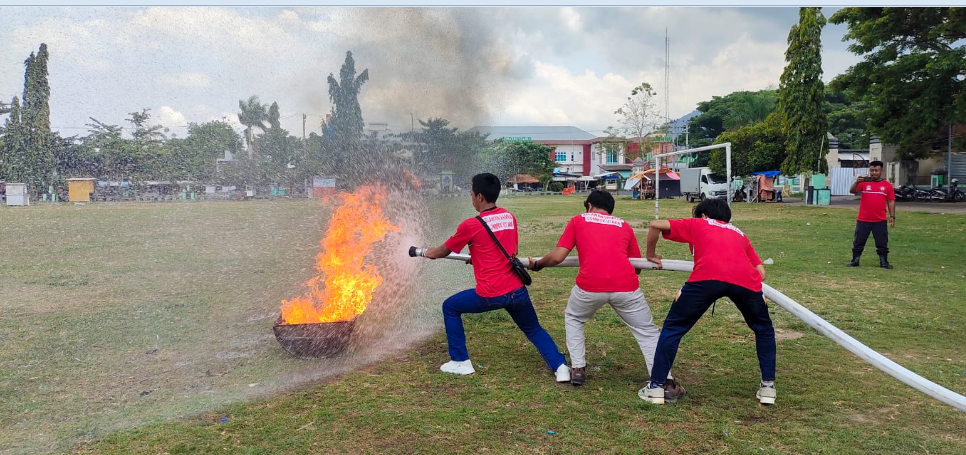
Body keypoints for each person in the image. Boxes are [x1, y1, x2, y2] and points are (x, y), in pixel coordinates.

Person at [527, 190, 685, 399]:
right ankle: (665, 382)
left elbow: (558, 257)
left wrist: (537, 265)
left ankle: (578, 369)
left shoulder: (578, 220)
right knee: (647, 332)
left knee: (574, 318)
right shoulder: (624, 225)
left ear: (589, 206)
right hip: (626, 287)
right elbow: (637, 266)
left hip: (589, 287)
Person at [423, 173, 571, 382]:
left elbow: (442, 251)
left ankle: (460, 361)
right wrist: (477, 257)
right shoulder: (509, 217)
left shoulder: (471, 225)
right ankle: (561, 367)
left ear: (480, 196)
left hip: (491, 293)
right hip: (517, 291)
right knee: (533, 329)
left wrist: (428, 252)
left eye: (472, 194)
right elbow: (509, 251)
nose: (471, 197)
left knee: (450, 307)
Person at [639, 198, 777, 405]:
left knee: (673, 328)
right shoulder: (739, 233)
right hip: (745, 281)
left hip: (706, 278)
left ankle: (656, 387)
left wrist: (650, 255)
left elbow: (655, 225)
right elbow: (761, 271)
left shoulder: (699, 223)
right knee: (764, 329)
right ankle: (768, 388)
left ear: (703, 215)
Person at [847, 161, 896, 269]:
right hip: (863, 219)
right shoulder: (864, 183)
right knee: (858, 241)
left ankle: (884, 261)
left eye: (876, 170)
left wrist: (892, 216)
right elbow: (852, 191)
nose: (874, 173)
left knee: (882, 242)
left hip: (880, 220)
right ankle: (855, 260)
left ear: (881, 171)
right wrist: (856, 182)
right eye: (872, 171)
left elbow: (891, 201)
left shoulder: (887, 185)